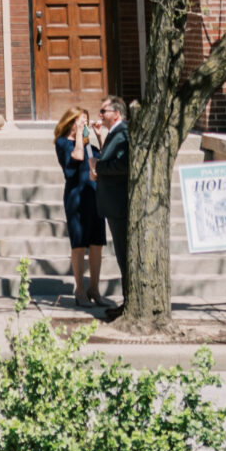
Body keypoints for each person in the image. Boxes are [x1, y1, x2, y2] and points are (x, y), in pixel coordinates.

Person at [53, 106, 105, 307]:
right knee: (79, 244)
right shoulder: (63, 143)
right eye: (81, 121)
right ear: (71, 122)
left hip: (93, 195)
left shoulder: (88, 144)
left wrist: (99, 136)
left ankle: (95, 288)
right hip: (76, 197)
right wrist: (79, 137)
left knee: (97, 243)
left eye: (86, 121)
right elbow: (77, 157)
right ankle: (80, 290)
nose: (85, 126)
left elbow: (105, 157)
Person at [92, 95, 131, 318]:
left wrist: (99, 167)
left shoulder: (123, 132)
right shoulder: (115, 133)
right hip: (113, 204)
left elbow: (123, 164)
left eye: (103, 111)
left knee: (124, 257)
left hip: (119, 206)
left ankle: (128, 304)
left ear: (116, 113)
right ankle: (127, 302)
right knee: (121, 256)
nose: (100, 115)